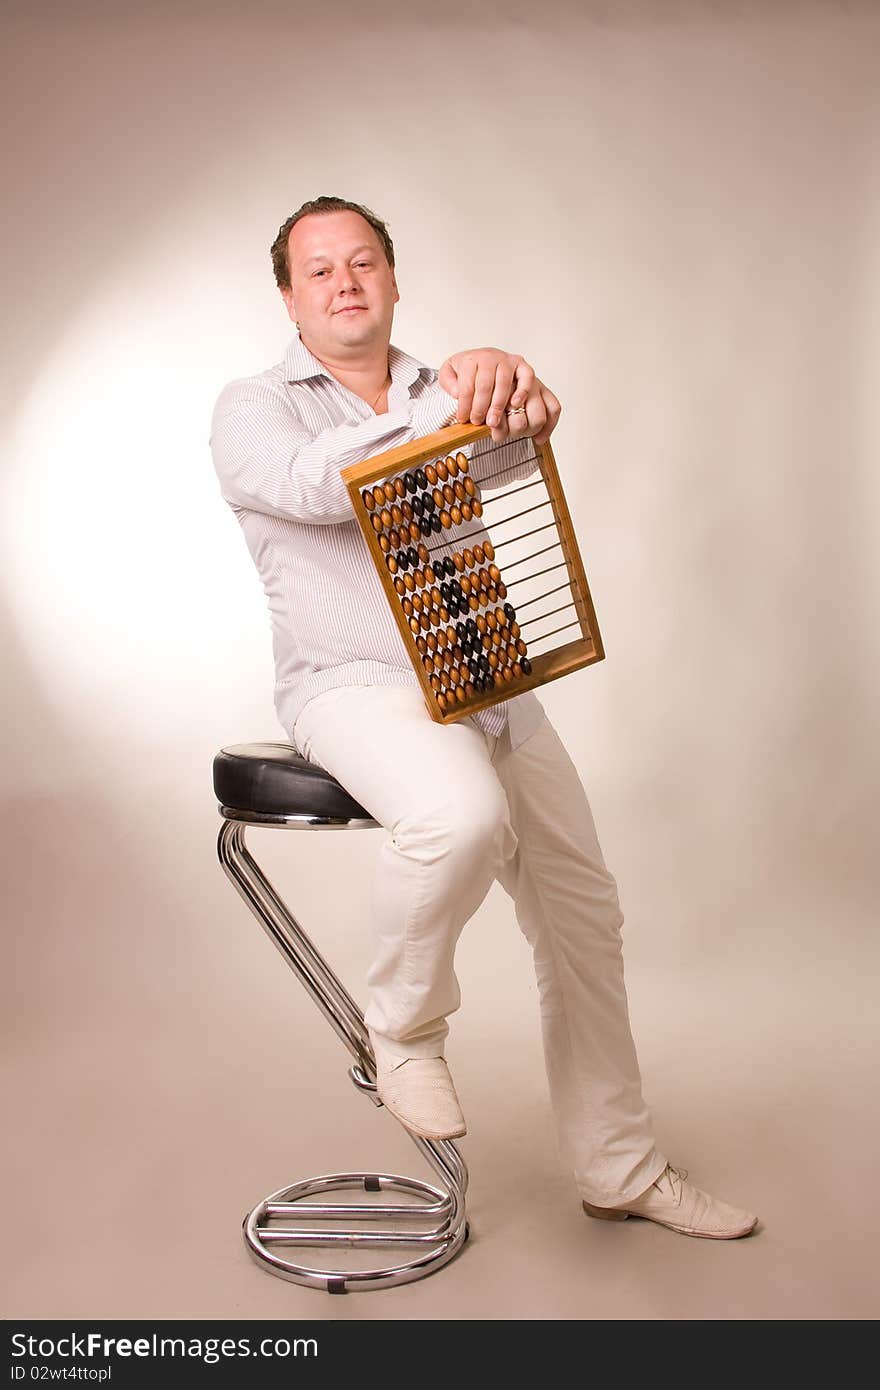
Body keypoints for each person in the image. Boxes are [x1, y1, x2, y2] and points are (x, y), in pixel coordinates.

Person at [209, 195, 758, 1240]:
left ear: (394, 278)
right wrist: (447, 407)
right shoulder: (253, 407)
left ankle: (619, 1166)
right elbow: (315, 485)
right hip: (352, 683)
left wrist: (521, 407)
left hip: (486, 675)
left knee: (583, 918)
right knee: (458, 817)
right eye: (320, 269)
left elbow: (501, 480)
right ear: (289, 295)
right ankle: (403, 1027)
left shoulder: (445, 382)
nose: (345, 282)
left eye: (363, 260)